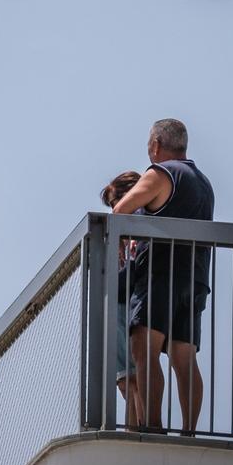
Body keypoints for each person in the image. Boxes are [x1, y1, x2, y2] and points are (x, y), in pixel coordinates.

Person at [112, 118, 214, 434]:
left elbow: (121, 211)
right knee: (184, 360)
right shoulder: (203, 183)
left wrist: (120, 240)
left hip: (159, 275)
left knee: (144, 350)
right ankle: (188, 431)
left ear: (156, 145)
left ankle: (151, 427)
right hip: (194, 277)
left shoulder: (161, 173)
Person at [101, 170, 145, 428]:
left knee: (132, 379)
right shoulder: (135, 224)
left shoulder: (137, 220)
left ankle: (137, 431)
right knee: (129, 381)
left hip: (127, 302)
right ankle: (134, 431)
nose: (115, 210)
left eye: (114, 203)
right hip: (124, 301)